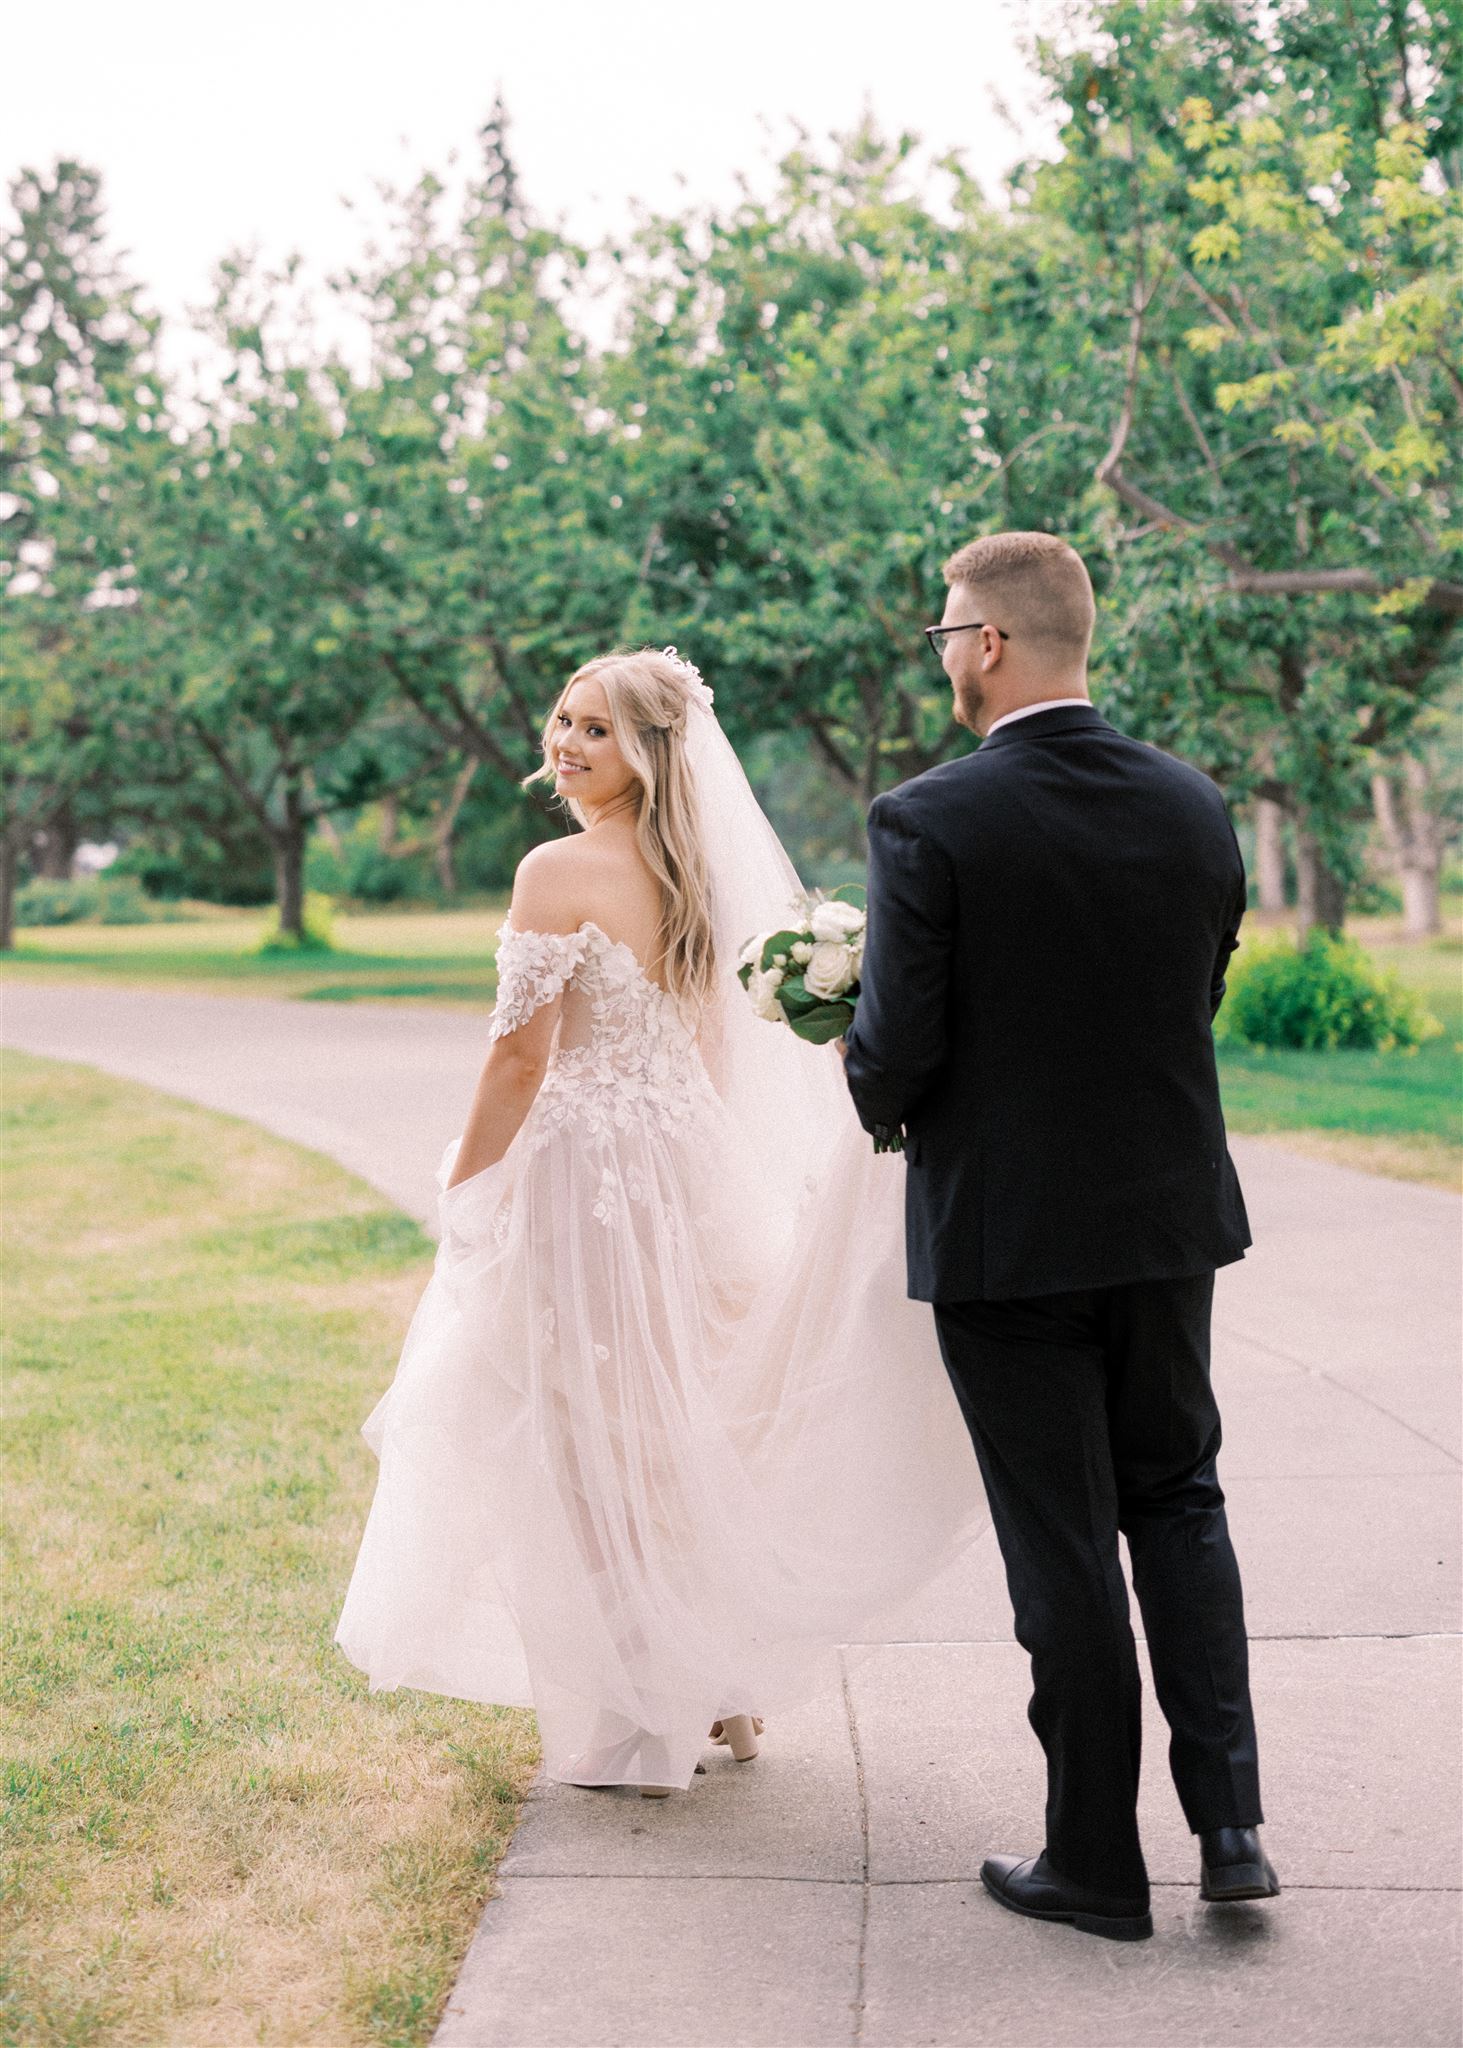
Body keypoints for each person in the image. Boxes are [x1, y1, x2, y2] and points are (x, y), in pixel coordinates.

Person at [334, 648, 987, 1796]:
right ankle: (711, 1681)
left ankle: (649, 1711)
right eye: (561, 719)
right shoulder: (696, 877)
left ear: (648, 752)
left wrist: (469, 1185)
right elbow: (709, 1051)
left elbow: (518, 1057)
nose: (565, 743)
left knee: (594, 1449)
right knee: (676, 1431)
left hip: (581, 1169)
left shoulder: (557, 869)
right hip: (677, 1162)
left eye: (595, 729)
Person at [841, 529, 1278, 1943]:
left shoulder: (928, 821)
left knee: (1064, 1547)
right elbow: (1187, 994)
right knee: (1178, 1500)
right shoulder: (1191, 804)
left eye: (944, 636)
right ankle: (1228, 1830)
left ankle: (1091, 1861)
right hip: (1161, 1220)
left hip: (1006, 1238)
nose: (943, 659)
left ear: (988, 645)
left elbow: (896, 1051)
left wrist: (853, 1066)